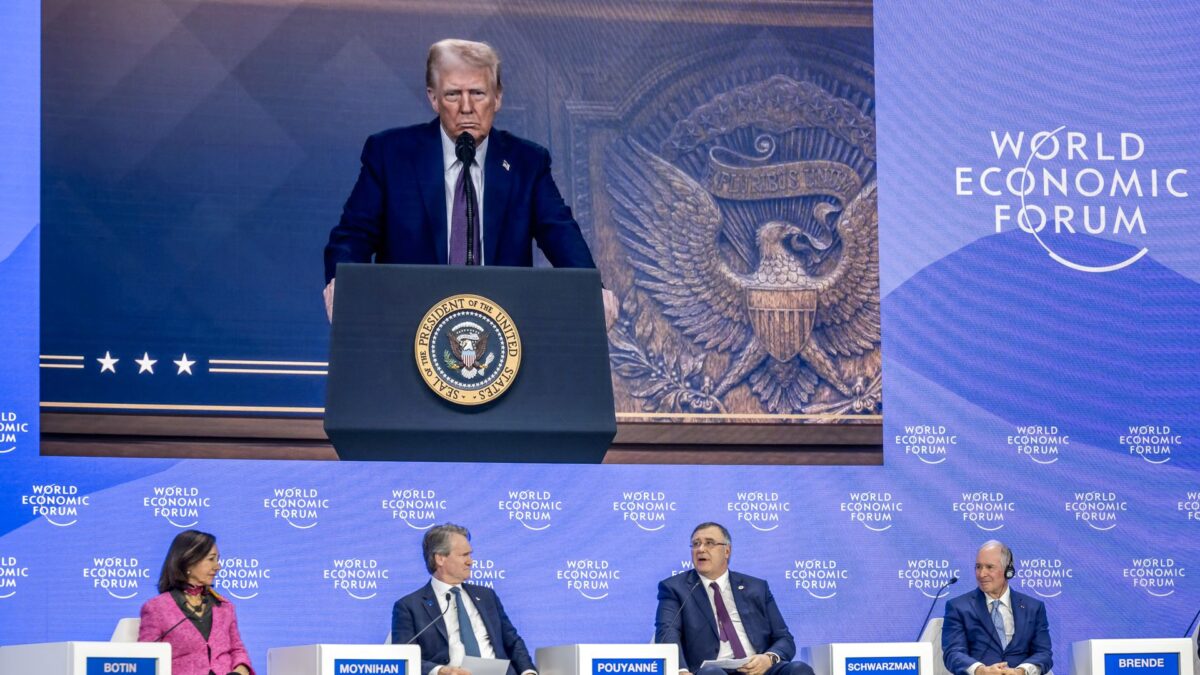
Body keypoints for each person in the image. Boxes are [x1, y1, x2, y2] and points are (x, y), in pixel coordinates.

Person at [323, 38, 616, 327]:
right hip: (407, 325)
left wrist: (591, 289)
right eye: (452, 94)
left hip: (501, 333)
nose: (466, 107)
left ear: (497, 97)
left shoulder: (527, 163)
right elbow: (353, 236)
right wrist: (342, 282)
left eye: (478, 93)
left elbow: (560, 233)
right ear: (433, 98)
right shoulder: (391, 155)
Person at [655, 522, 814, 675]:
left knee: (799, 669)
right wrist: (680, 670)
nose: (701, 549)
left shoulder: (757, 587)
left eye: (709, 543)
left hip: (758, 669)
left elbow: (784, 638)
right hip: (710, 670)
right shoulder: (675, 588)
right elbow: (667, 634)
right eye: (695, 544)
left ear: (727, 551)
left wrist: (768, 658)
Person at [392, 523, 536, 675]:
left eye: (470, 554)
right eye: (464, 555)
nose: (470, 561)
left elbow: (513, 642)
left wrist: (528, 672)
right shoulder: (409, 606)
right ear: (440, 558)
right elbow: (404, 657)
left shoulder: (487, 596)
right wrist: (440, 671)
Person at [138, 530, 254, 675]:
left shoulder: (225, 607)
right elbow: (146, 661)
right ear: (189, 561)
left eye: (217, 559)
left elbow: (238, 650)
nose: (217, 566)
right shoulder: (156, 608)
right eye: (211, 559)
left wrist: (239, 672)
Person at [942, 541, 1052, 675]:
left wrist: (1021, 672)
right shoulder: (958, 607)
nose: (982, 574)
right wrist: (981, 671)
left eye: (989, 567)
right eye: (978, 567)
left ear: (1008, 571)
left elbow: (1043, 653)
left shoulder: (1034, 607)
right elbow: (953, 653)